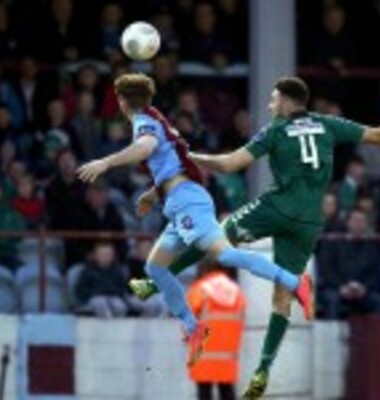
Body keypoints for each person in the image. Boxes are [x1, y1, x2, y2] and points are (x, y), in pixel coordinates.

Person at [128, 76, 380, 398]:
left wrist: (188, 156)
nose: (270, 105)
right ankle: (263, 370)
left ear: (288, 101)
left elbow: (229, 164)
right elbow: (379, 134)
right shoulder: (328, 124)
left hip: (276, 208)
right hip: (308, 220)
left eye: (274, 98)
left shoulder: (276, 131)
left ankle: (154, 283)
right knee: (282, 298)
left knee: (214, 238)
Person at [76, 73, 314, 368]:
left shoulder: (143, 121)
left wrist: (106, 162)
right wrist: (154, 193)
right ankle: (193, 328)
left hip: (188, 201)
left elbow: (146, 147)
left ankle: (295, 282)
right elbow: (173, 161)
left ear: (123, 101)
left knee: (224, 255)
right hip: (180, 203)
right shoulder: (157, 117)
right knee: (155, 268)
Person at [187, 263, 246, 400]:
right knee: (227, 391)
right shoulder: (236, 292)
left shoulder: (200, 289)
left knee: (204, 391)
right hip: (227, 355)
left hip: (203, 355)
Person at [75, 241, 129, 318]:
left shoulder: (117, 270)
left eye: (109, 254)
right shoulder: (88, 270)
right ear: (96, 255)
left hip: (113, 297)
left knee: (119, 305)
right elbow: (81, 290)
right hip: (95, 298)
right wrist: (96, 292)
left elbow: (123, 288)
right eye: (103, 254)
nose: (106, 257)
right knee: (100, 303)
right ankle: (106, 323)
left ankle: (119, 324)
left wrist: (113, 292)